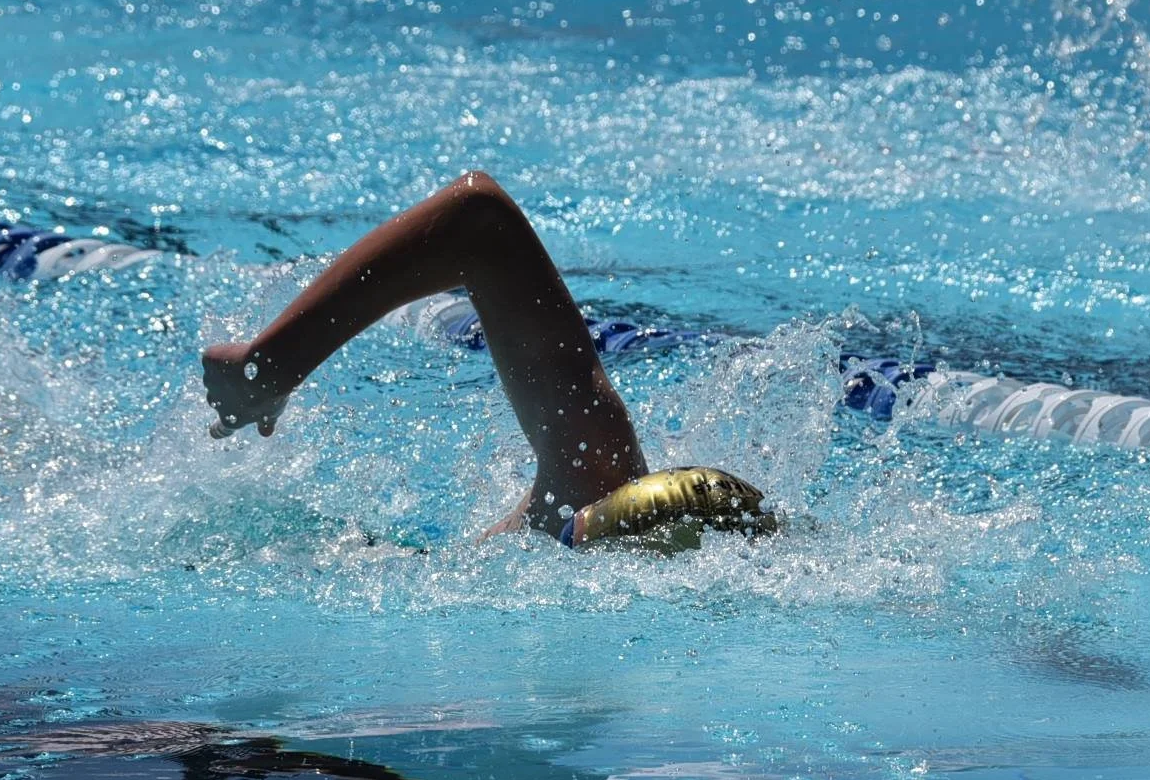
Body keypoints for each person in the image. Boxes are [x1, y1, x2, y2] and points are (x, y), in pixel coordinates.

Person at [200, 171, 770, 547]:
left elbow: (478, 224)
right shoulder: (594, 471)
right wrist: (270, 364)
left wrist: (269, 368)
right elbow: (475, 218)